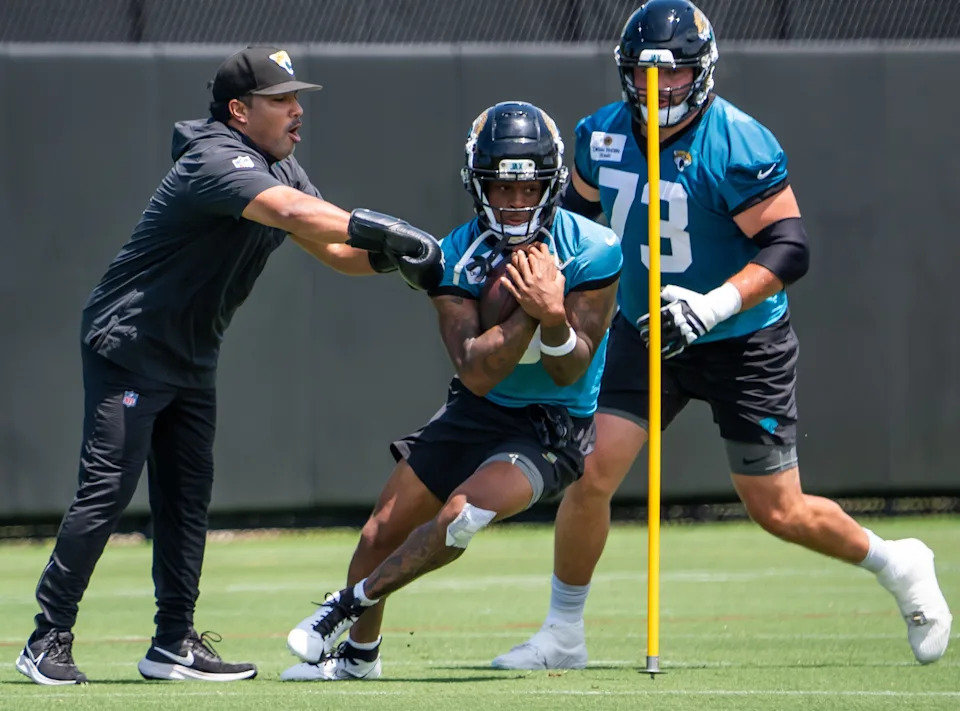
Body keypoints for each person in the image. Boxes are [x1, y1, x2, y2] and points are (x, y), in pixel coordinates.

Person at [492, 0, 952, 670]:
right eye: (645, 72)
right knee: (589, 471)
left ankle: (897, 561)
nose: (658, 87)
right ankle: (563, 633)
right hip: (645, 328)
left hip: (740, 337)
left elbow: (790, 246)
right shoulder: (599, 136)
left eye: (674, 73)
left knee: (776, 508)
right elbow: (575, 227)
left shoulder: (738, 143)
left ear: (702, 72)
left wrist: (713, 306)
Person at [15, 45, 444, 686]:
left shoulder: (283, 166)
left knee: (186, 502)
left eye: (297, 99)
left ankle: (172, 643)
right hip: (129, 344)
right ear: (239, 111)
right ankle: (46, 638)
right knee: (106, 494)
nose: (297, 111)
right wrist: (386, 229)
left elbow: (334, 249)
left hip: (191, 354)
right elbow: (296, 214)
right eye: (281, 100)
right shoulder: (215, 158)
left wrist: (400, 260)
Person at [277, 101, 623, 681]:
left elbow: (570, 369)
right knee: (380, 531)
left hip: (552, 422)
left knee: (462, 515)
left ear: (553, 183)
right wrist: (534, 309)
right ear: (477, 184)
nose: (516, 202)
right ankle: (359, 658)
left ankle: (344, 606)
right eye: (502, 187)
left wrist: (554, 317)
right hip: (479, 408)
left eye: (529, 187)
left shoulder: (594, 248)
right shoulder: (455, 255)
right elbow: (476, 371)